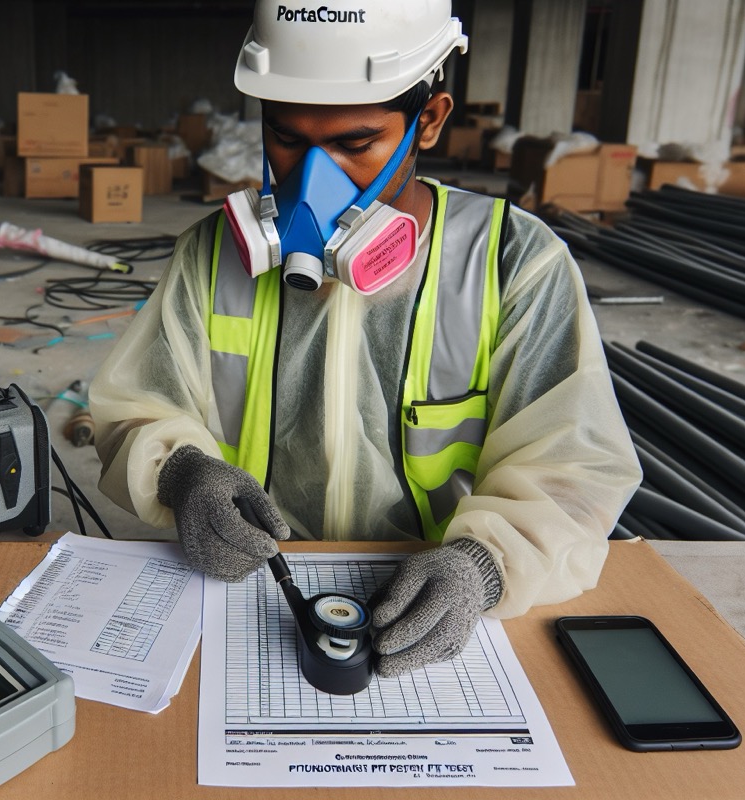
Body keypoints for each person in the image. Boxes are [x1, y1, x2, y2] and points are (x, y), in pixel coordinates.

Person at [89, 0, 641, 678]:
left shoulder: (511, 263)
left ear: (429, 120)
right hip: (256, 581)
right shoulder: (213, 255)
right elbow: (134, 404)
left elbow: (575, 469)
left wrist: (484, 568)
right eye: (287, 139)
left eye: (355, 145)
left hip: (431, 600)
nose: (311, 181)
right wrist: (181, 472)